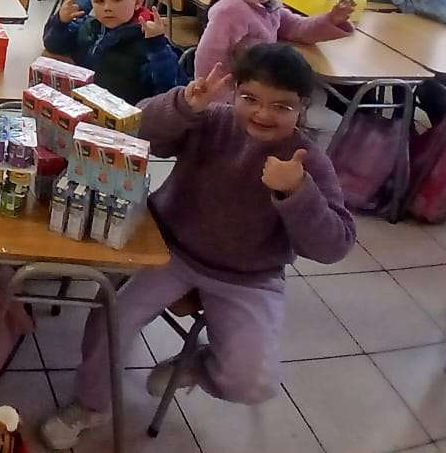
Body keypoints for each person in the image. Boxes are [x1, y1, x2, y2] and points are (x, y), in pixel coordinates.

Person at [42, 44, 355, 450]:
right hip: (170, 249)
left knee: (252, 382)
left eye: (282, 106)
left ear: (303, 109)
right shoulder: (214, 121)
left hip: (249, 275)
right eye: (250, 99)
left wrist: (298, 191)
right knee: (112, 318)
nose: (262, 114)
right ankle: (90, 404)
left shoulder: (305, 161)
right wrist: (184, 105)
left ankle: (192, 364)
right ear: (235, 92)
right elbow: (137, 132)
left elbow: (335, 245)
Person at [194, 0, 354, 97]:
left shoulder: (269, 7)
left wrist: (332, 19)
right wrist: (215, 101)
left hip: (262, 82)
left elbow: (297, 28)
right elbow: (209, 56)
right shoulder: (230, 10)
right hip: (234, 91)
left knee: (314, 98)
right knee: (315, 100)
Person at [42, 0, 182, 103]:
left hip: (125, 113)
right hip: (87, 103)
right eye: (99, 1)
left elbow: (168, 89)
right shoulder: (90, 26)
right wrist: (61, 22)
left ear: (138, 2)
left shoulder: (149, 39)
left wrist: (157, 46)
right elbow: (52, 45)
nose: (107, 7)